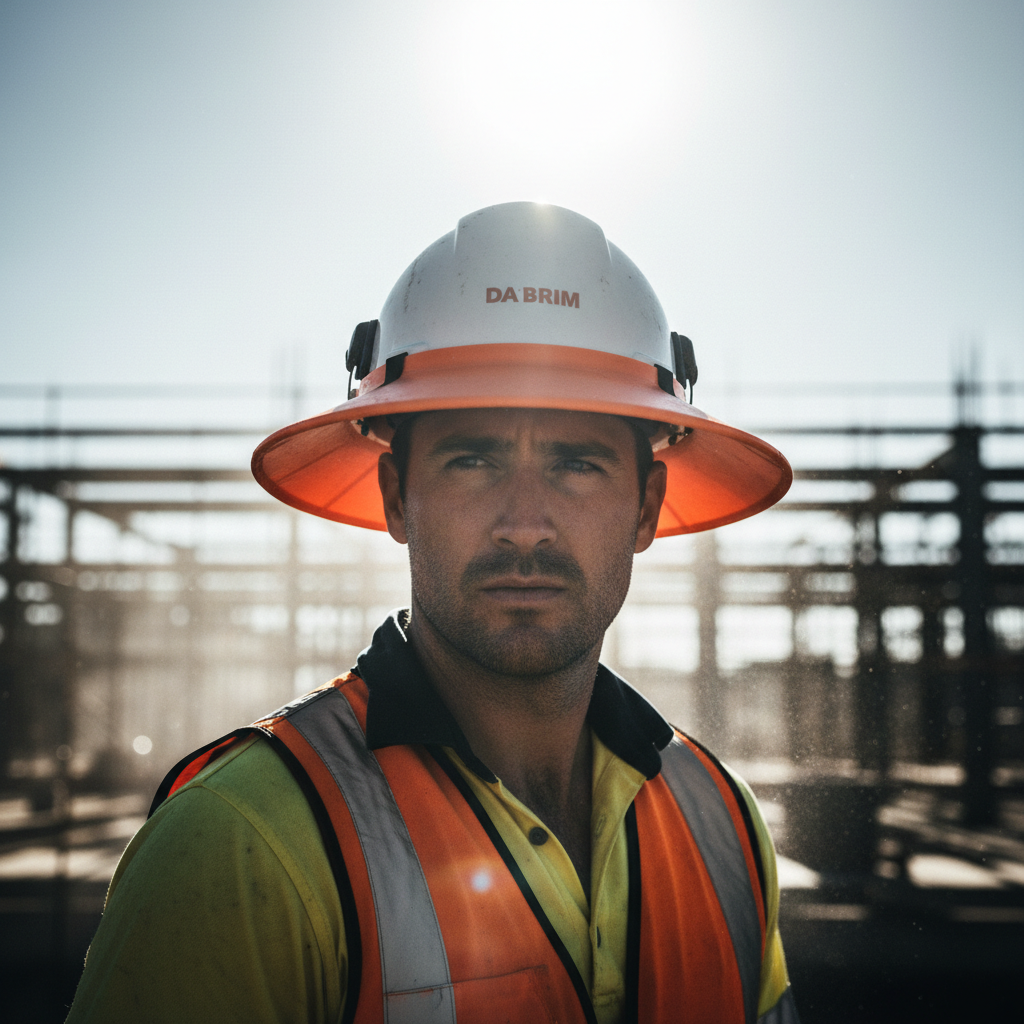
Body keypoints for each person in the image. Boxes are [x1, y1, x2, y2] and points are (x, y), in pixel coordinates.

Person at [67, 202, 798, 1023]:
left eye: (578, 463)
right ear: (396, 498)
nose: (525, 523)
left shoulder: (724, 824)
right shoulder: (237, 848)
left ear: (646, 507)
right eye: (473, 458)